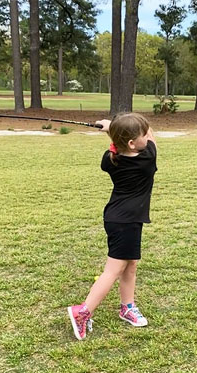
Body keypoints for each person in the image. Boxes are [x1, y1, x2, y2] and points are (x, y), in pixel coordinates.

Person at [67, 112, 157, 340]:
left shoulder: (110, 159)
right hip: (126, 222)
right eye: (142, 134)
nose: (147, 136)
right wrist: (111, 128)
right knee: (114, 270)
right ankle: (82, 312)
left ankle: (127, 307)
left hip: (119, 218)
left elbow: (119, 147)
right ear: (131, 143)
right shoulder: (147, 159)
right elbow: (153, 139)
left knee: (131, 265)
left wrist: (112, 130)